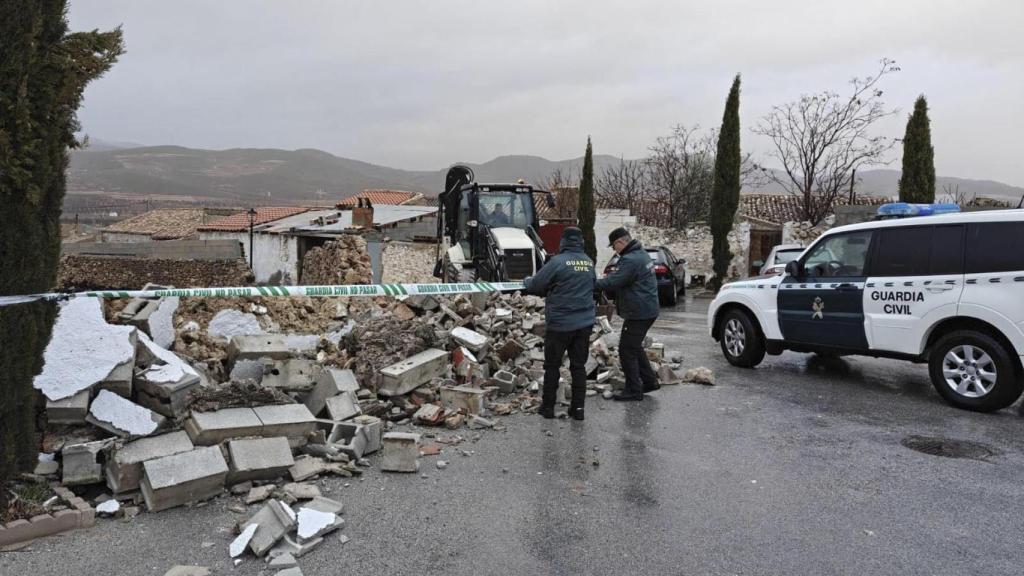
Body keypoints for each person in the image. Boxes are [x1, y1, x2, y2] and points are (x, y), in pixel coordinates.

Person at [523, 227, 596, 420]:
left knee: (552, 366)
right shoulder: (589, 262)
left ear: (563, 242)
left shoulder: (557, 262)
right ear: (581, 242)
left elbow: (535, 285)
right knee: (578, 367)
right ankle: (578, 409)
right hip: (584, 324)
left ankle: (548, 408)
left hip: (560, 325)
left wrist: (526, 280)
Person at [595, 227, 660, 401]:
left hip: (639, 311)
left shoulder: (630, 259)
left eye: (614, 246)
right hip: (647, 309)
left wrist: (592, 283)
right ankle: (649, 382)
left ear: (620, 242)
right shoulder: (641, 254)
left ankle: (634, 389)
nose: (614, 250)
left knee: (626, 350)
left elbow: (614, 281)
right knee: (634, 346)